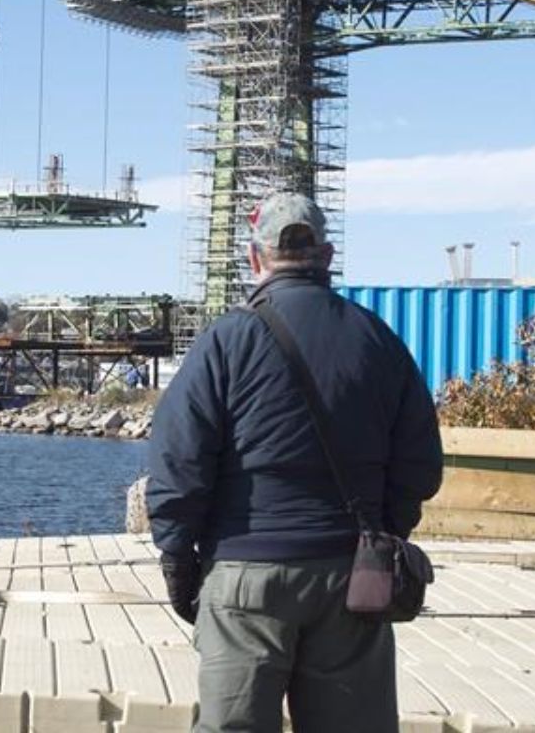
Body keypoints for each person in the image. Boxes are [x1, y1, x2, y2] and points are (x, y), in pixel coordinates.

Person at [146, 192, 444, 733]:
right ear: (327, 256)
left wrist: (176, 554)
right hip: (350, 578)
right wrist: (382, 534)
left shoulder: (226, 340)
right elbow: (420, 462)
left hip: (243, 578)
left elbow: (179, 458)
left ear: (253, 259)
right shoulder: (376, 338)